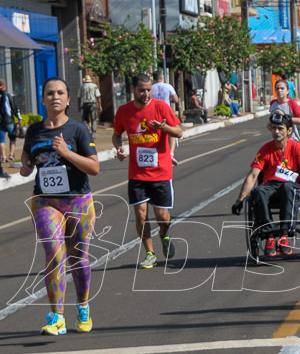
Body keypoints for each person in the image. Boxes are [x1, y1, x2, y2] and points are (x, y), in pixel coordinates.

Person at [18, 78, 100, 335]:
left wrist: (66, 152)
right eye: (50, 93)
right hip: (45, 201)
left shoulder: (78, 130)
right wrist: (26, 166)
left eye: (60, 93)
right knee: (54, 253)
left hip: (78, 200)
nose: (55, 97)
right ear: (42, 99)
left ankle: (83, 305)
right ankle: (57, 317)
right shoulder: (34, 131)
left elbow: (94, 168)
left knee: (79, 259)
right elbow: (27, 157)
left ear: (67, 99)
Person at [231, 111, 300, 257]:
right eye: (274, 128)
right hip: (270, 185)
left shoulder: (297, 148)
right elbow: (253, 175)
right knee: (258, 192)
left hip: (291, 186)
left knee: (288, 187)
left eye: (280, 128)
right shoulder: (265, 149)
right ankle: (269, 236)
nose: (276, 132)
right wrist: (239, 200)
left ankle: (284, 235)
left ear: (289, 131)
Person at [112, 73, 184, 270]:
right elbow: (117, 134)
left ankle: (164, 234)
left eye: (148, 90)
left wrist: (164, 127)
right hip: (137, 173)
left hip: (161, 171)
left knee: (162, 217)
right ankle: (150, 253)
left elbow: (179, 132)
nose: (146, 94)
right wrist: (118, 148)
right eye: (141, 90)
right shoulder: (124, 111)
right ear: (133, 89)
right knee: (141, 215)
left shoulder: (161, 107)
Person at [151, 70, 181, 163]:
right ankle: (171, 153)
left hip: (153, 112)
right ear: (161, 77)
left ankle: (156, 154)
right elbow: (175, 99)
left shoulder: (151, 88)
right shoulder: (168, 86)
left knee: (155, 134)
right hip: (166, 112)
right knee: (171, 131)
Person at [0, 79, 20, 164]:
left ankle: (3, 157)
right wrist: (19, 118)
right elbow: (14, 107)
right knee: (12, 138)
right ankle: (11, 154)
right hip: (9, 120)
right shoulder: (9, 96)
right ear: (4, 86)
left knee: (1, 139)